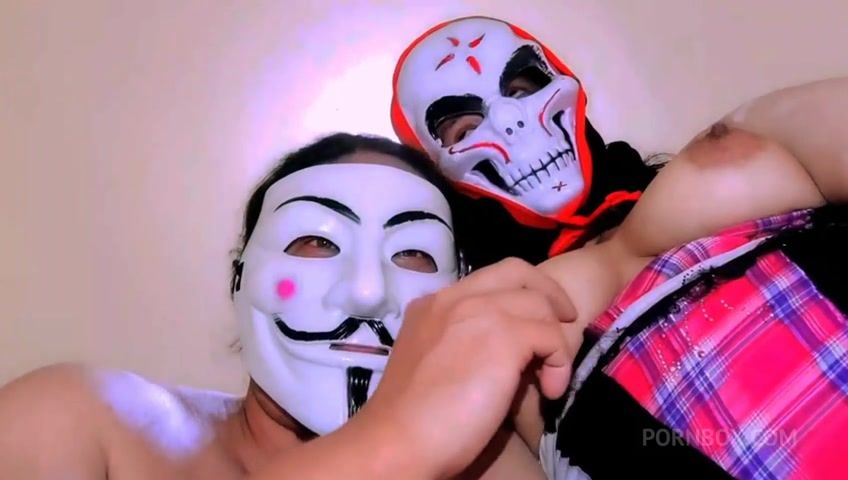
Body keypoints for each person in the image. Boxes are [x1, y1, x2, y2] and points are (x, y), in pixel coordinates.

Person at [391, 15, 848, 479]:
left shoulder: (735, 158)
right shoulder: (486, 346)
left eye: (522, 90)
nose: (510, 121)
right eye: (465, 130)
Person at [0, 133, 574, 479]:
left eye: (414, 253)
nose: (366, 292)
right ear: (241, 277)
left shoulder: (491, 464)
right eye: (316, 241)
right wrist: (390, 445)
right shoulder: (81, 424)